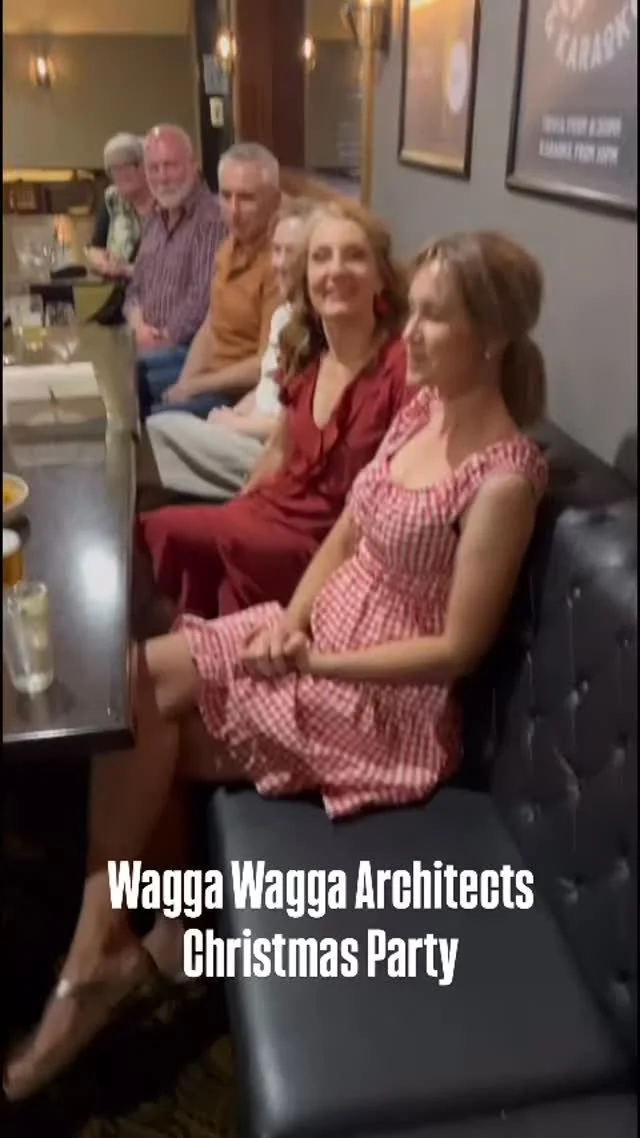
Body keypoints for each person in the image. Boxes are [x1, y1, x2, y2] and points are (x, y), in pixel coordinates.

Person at [2, 230, 550, 1101]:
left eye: (433, 318)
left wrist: (319, 660)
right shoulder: (425, 409)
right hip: (313, 636)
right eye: (412, 312)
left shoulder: (505, 478)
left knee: (149, 730)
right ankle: (128, 939)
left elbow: (457, 649)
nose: (408, 334)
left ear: (491, 336)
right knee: (134, 677)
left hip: (381, 705)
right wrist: (290, 622)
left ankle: (112, 957)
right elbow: (348, 532)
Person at [136, 199, 409, 622]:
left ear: (381, 278)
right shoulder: (307, 351)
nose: (335, 270)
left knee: (154, 531)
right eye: (321, 257)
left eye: (355, 256)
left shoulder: (401, 367)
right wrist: (236, 511)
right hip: (271, 513)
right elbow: (278, 451)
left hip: (326, 543)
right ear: (306, 277)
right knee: (157, 535)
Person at [144, 197, 314, 501]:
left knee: (153, 431)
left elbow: (296, 426)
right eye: (276, 250)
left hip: (268, 447)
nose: (280, 263)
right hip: (246, 423)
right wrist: (236, 411)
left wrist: (237, 424)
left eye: (292, 253)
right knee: (137, 407)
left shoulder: (316, 331)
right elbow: (266, 385)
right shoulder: (284, 315)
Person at [145, 142, 283, 420]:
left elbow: (266, 364)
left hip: (239, 390)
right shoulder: (230, 245)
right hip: (210, 370)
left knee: (157, 420)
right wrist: (185, 382)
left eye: (247, 198)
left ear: (274, 201)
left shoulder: (279, 263)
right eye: (226, 195)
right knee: (128, 378)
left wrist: (194, 386)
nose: (233, 210)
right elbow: (210, 324)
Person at [125, 124, 225, 408]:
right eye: (154, 168)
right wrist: (138, 325)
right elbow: (134, 288)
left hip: (188, 350)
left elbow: (204, 295)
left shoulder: (211, 217)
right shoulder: (154, 221)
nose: (162, 177)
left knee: (126, 387)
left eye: (170, 165)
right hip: (144, 341)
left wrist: (164, 338)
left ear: (193, 165)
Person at [85, 133, 156, 325]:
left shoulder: (165, 203)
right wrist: (100, 260)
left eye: (128, 165)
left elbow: (170, 270)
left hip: (155, 301)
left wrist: (124, 270)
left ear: (145, 166)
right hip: (114, 299)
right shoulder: (112, 200)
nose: (121, 173)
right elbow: (95, 247)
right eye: (114, 168)